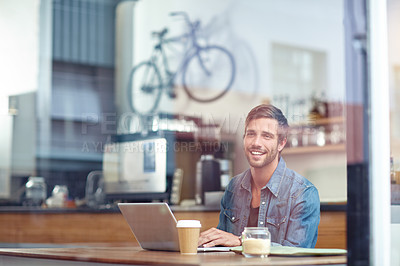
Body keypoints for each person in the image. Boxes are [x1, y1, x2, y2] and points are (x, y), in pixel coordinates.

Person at [198, 104, 320, 248]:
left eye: (266, 136)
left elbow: (296, 254)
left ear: (281, 143)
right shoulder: (233, 187)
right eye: (251, 134)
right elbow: (223, 244)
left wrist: (241, 241)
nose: (256, 143)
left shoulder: (303, 193)